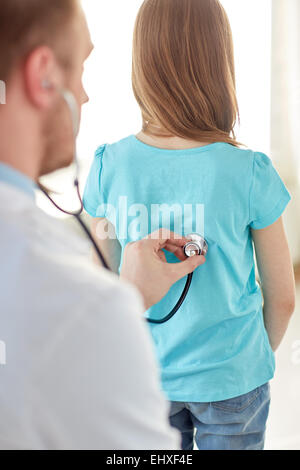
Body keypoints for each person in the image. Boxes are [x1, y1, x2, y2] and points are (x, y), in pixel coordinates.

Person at [83, 0, 296, 450]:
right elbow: (284, 298)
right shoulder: (249, 171)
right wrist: (246, 367)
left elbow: (100, 285)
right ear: (221, 64)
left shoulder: (111, 166)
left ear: (142, 64)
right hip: (231, 377)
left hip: (143, 378)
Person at [0, 0, 206, 450]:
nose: (86, 94)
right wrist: (118, 304)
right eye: (81, 70)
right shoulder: (89, 305)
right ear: (43, 76)